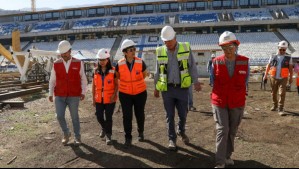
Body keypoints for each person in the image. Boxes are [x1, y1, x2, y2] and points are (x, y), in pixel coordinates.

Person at [154, 26, 202, 151]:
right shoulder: (159, 51)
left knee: (183, 113)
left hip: (182, 88)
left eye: (169, 41)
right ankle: (171, 139)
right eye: (165, 41)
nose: (167, 43)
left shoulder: (185, 48)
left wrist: (196, 81)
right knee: (169, 115)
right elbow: (157, 71)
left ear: (175, 38)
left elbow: (192, 66)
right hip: (167, 89)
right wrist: (156, 88)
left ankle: (181, 130)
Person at [211, 31, 250, 168]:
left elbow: (245, 81)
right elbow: (212, 81)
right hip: (220, 101)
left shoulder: (244, 62)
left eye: (230, 47)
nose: (227, 50)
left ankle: (227, 155)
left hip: (237, 102)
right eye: (224, 48)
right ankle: (220, 161)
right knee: (223, 129)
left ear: (236, 45)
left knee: (232, 130)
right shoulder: (215, 62)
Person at [49, 40, 87, 146]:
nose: (63, 55)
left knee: (74, 117)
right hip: (59, 95)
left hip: (74, 95)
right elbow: (52, 80)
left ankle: (77, 137)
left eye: (65, 53)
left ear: (70, 51)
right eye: (62, 53)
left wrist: (83, 92)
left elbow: (83, 79)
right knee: (59, 116)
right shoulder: (56, 64)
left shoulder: (78, 63)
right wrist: (50, 93)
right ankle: (66, 133)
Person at [115, 39, 148, 146]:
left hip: (140, 93)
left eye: (134, 49)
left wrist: (135, 83)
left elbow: (144, 75)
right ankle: (128, 137)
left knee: (140, 114)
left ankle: (141, 132)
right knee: (127, 116)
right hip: (125, 94)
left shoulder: (140, 61)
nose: (133, 51)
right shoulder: (119, 64)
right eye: (130, 50)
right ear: (124, 52)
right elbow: (117, 77)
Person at [92, 49, 118, 145]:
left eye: (104, 60)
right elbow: (93, 86)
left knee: (108, 117)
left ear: (108, 59)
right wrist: (93, 99)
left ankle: (108, 135)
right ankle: (104, 127)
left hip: (110, 99)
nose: (102, 62)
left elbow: (116, 85)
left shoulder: (113, 70)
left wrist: (114, 95)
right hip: (99, 98)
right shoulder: (95, 71)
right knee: (99, 116)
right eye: (100, 60)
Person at [263, 40, 293, 116]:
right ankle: (275, 105)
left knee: (282, 93)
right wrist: (265, 75)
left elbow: (290, 68)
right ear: (278, 48)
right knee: (273, 93)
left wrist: (291, 77)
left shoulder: (288, 57)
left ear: (286, 49)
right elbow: (268, 66)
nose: (282, 51)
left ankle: (281, 108)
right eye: (281, 49)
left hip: (283, 78)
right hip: (273, 77)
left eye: (284, 49)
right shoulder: (273, 56)